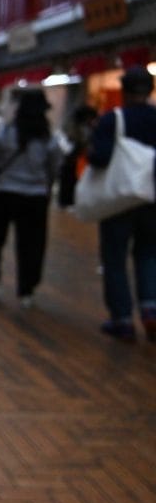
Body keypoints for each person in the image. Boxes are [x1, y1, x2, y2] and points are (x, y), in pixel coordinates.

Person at [0, 89, 63, 308]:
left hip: (4, 193)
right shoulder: (49, 139)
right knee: (32, 244)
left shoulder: (5, 133)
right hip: (35, 198)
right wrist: (45, 188)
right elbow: (54, 169)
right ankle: (26, 291)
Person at [87, 66, 156, 342]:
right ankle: (151, 310)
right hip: (152, 200)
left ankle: (122, 319)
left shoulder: (113, 120)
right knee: (149, 255)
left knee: (114, 258)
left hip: (119, 200)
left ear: (125, 92)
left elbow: (99, 159)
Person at [56, 104, 97, 209]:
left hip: (78, 160)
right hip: (71, 159)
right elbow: (74, 140)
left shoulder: (84, 127)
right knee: (68, 180)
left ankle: (70, 201)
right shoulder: (74, 127)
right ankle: (66, 202)